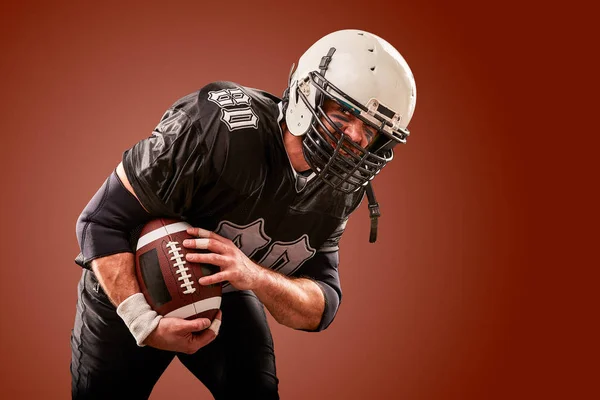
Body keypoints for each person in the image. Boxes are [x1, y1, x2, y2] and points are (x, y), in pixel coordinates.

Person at [70, 29, 417, 399]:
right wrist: (142, 322)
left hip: (227, 291)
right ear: (307, 95)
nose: (355, 138)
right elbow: (100, 222)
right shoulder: (220, 132)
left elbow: (323, 302)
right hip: (133, 281)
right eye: (343, 113)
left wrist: (255, 276)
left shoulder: (339, 187)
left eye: (372, 130)